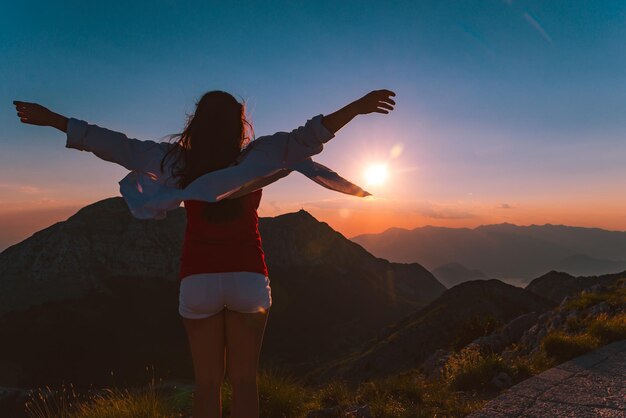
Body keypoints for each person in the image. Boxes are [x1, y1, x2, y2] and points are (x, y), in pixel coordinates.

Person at [13, 89, 396, 418]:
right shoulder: (258, 155)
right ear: (238, 124)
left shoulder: (176, 160)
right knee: (245, 383)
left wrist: (57, 121)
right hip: (249, 278)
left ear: (196, 121)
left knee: (207, 385)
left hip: (197, 279)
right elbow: (311, 135)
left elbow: (116, 145)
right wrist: (357, 107)